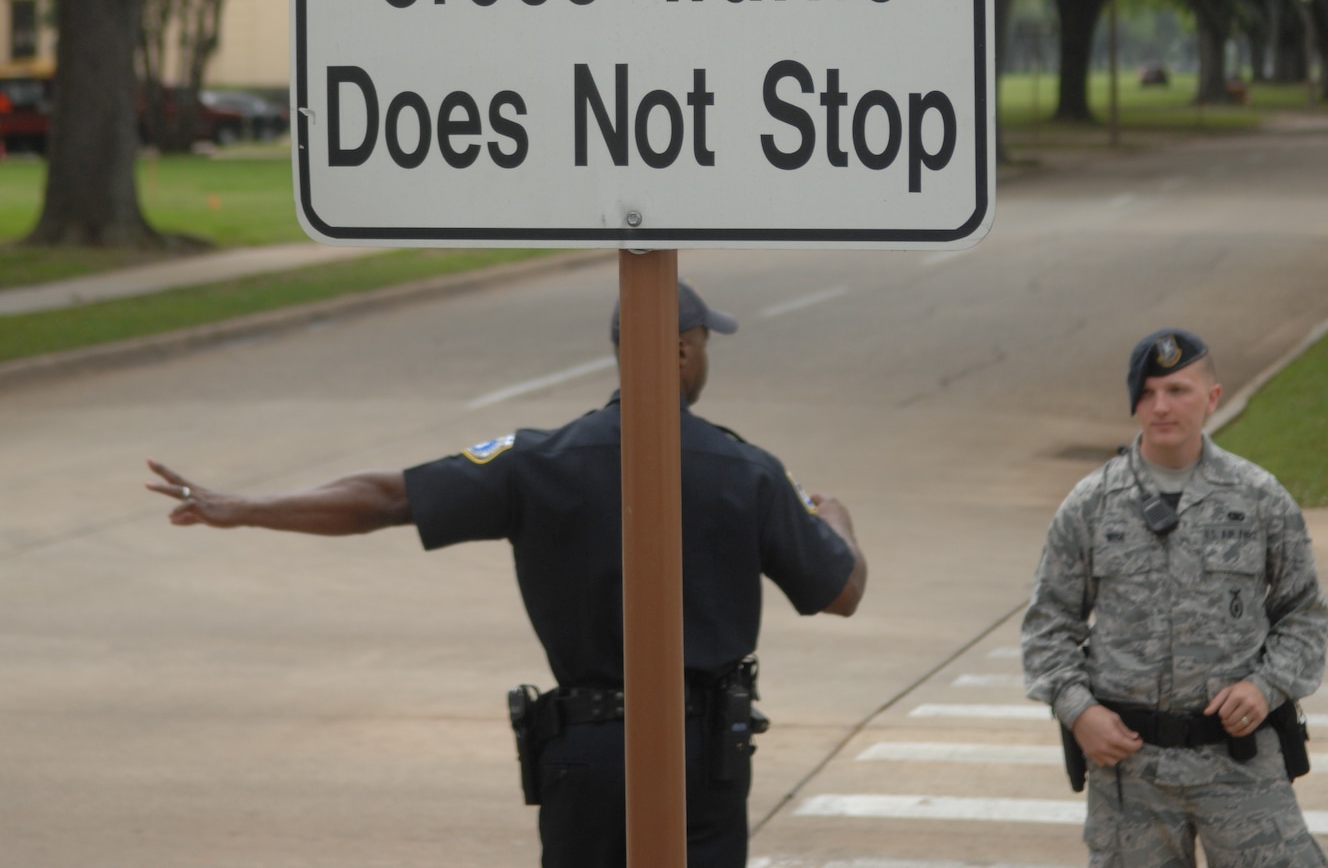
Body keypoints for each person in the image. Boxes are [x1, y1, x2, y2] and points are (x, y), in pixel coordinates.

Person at [147, 278, 866, 868]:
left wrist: (244, 506)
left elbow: (387, 498)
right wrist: (837, 519)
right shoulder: (747, 472)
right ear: (682, 351)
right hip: (695, 758)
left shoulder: (539, 461)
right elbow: (841, 590)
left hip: (583, 755)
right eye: (707, 345)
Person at [1022, 326, 1327, 868]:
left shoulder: (1258, 498)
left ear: (1211, 397)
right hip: (1131, 774)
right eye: (1147, 392)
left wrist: (1266, 687)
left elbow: (1304, 615)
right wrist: (1078, 711)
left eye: (1178, 390)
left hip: (1241, 765)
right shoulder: (1091, 505)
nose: (1161, 406)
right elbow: (1049, 626)